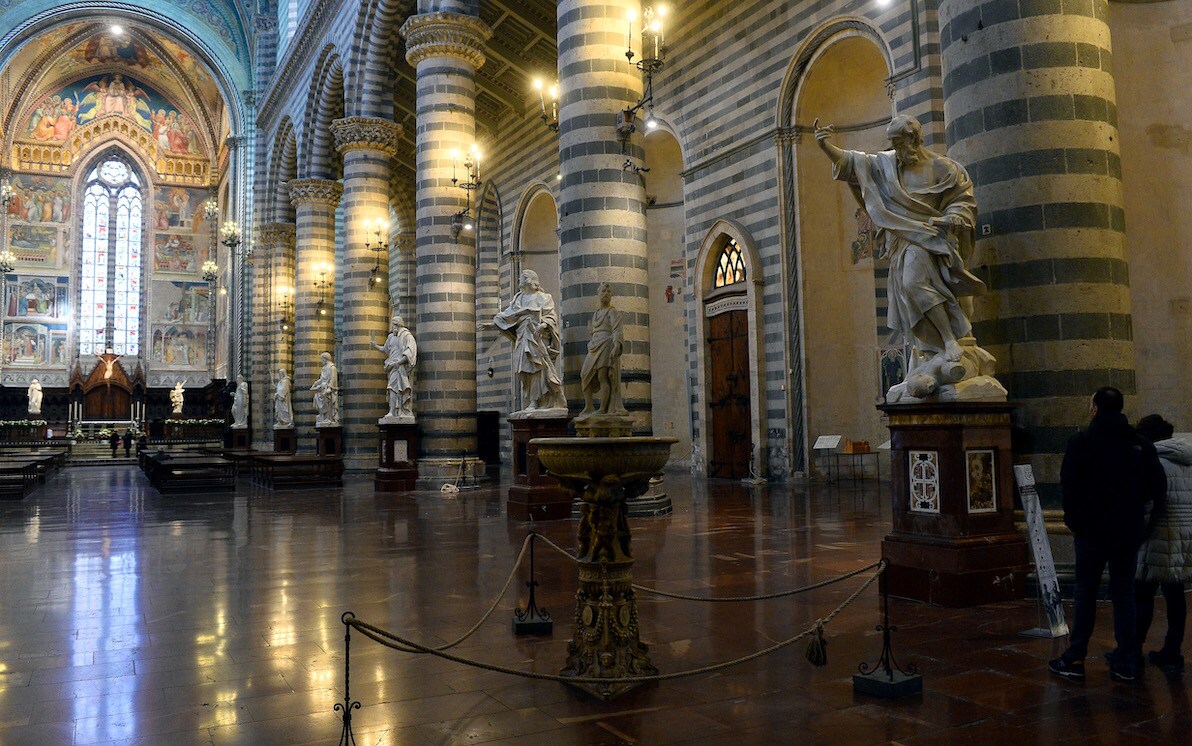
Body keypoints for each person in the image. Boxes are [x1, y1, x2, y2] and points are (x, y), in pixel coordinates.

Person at [814, 114, 992, 400]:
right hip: (902, 241)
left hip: (932, 240)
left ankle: (949, 340)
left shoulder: (944, 168)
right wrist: (825, 146)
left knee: (913, 284)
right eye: (893, 144)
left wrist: (956, 216)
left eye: (899, 142)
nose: (895, 149)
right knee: (909, 296)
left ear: (914, 138)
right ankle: (929, 350)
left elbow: (963, 200)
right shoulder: (888, 166)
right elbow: (854, 163)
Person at [1050, 387, 1166, 683]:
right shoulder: (1139, 444)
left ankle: (1076, 657)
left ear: (1095, 409)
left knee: (1085, 591)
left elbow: (1069, 486)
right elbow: (1157, 486)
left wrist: (1075, 521)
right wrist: (1137, 514)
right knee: (1124, 593)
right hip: (1127, 530)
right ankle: (1127, 659)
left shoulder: (1081, 442)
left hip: (1091, 531)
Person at [1133, 414, 1192, 674]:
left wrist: (1137, 534)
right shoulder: (1188, 461)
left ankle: (1133, 649)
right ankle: (1173, 649)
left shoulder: (1152, 461)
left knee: (1143, 594)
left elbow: (1148, 504)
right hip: (1184, 535)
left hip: (1158, 535)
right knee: (1175, 594)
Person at [482, 269, 566, 413]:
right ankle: (532, 401)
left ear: (529, 280)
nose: (519, 280)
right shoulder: (518, 299)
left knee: (537, 368)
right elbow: (507, 316)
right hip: (522, 337)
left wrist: (543, 325)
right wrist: (492, 324)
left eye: (521, 277)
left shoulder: (544, 297)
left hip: (538, 337)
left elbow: (551, 317)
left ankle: (537, 401)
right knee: (525, 369)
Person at [578, 282, 627, 418]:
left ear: (611, 295)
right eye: (603, 291)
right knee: (584, 374)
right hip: (594, 345)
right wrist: (592, 332)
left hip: (606, 344)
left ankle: (603, 409)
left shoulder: (612, 311)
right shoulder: (596, 313)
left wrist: (616, 345)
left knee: (602, 377)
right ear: (598, 294)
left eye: (608, 291)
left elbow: (617, 329)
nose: (606, 294)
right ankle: (588, 406)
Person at [372, 315, 417, 421]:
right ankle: (393, 411)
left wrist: (399, 362)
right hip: (392, 366)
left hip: (400, 367)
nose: (392, 327)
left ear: (398, 324)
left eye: (394, 324)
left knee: (395, 387)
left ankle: (398, 411)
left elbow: (410, 351)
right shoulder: (391, 337)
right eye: (392, 325)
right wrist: (375, 346)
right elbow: (386, 349)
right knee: (392, 388)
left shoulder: (406, 336)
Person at [312, 352, 339, 426]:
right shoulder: (324, 368)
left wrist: (329, 388)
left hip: (329, 389)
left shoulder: (332, 367)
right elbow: (321, 379)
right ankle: (323, 416)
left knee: (327, 400)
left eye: (322, 359)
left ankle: (329, 417)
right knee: (317, 397)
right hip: (323, 387)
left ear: (325, 358)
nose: (322, 361)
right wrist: (316, 383)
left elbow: (333, 379)